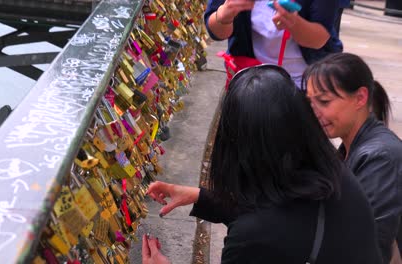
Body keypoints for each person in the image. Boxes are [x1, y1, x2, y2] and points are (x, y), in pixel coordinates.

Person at [144, 65, 382, 263]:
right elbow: (280, 209)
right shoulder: (329, 173)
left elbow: (270, 226)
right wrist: (202, 197)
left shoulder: (253, 239)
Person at [303, 52, 402, 264]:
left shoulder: (380, 157)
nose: (314, 112)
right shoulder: (352, 147)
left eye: (324, 101)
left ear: (360, 98)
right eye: (310, 103)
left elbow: (372, 245)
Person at [206, 0, 343, 86]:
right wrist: (225, 14)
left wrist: (294, 24)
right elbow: (216, 32)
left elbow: (319, 38)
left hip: (301, 84)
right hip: (250, 83)